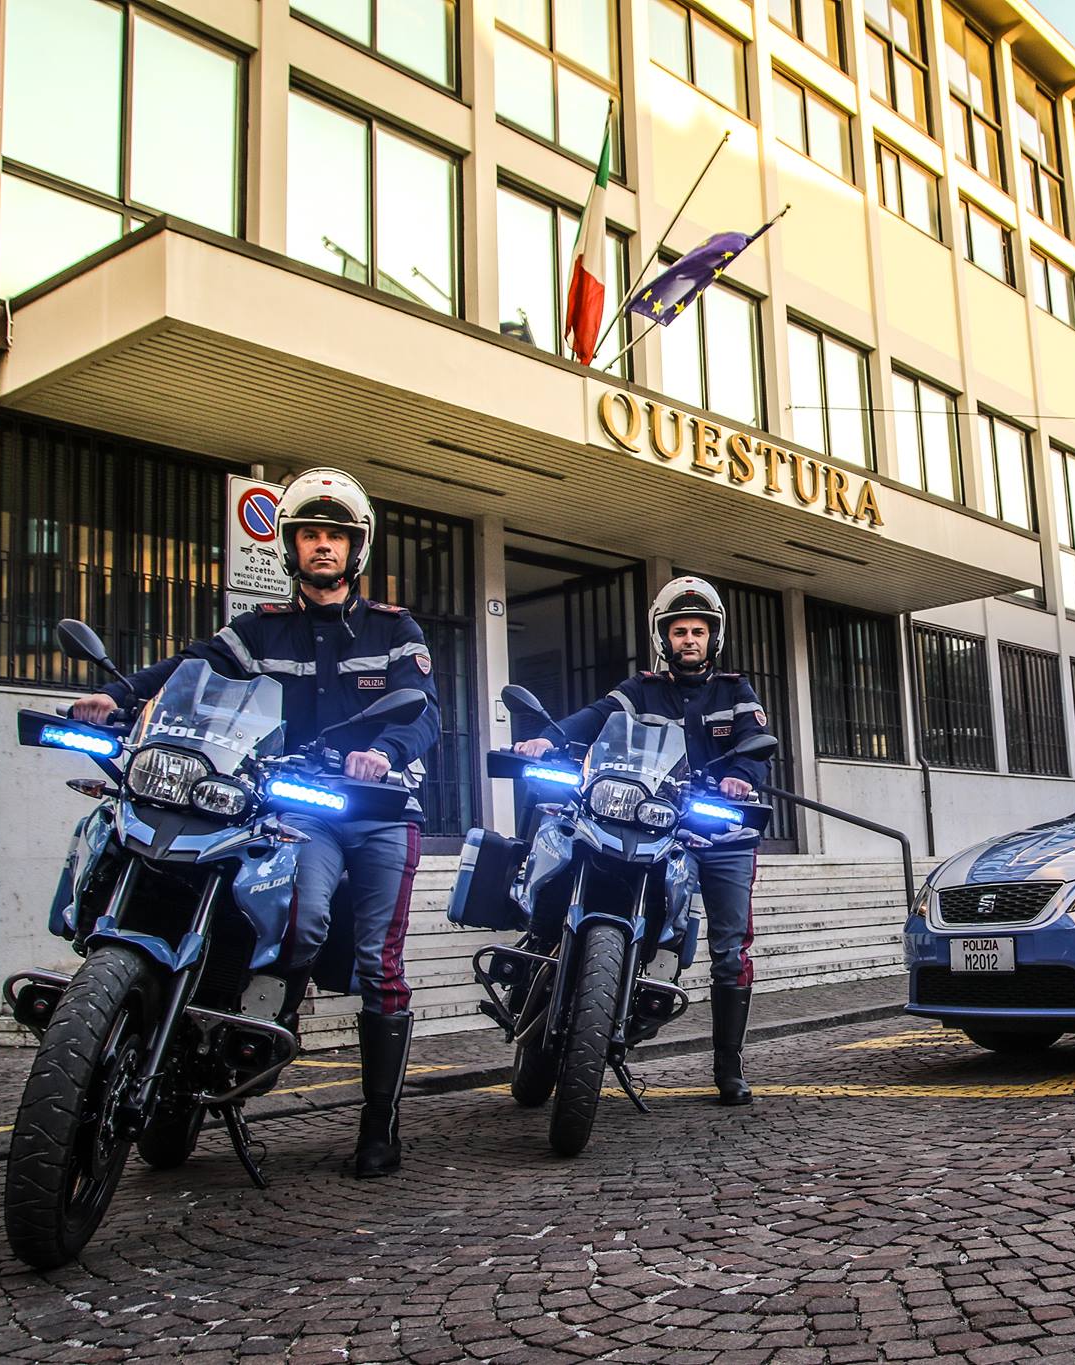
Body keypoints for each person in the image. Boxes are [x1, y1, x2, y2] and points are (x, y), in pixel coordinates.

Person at [71, 468, 440, 1175]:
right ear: (290, 548)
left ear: (356, 547)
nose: (322, 546)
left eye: (335, 535)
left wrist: (380, 752)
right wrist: (117, 698)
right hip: (300, 809)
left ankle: (379, 1123)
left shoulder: (396, 629)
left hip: (382, 811)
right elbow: (191, 670)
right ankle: (266, 1027)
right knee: (292, 924)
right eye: (310, 535)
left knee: (377, 961)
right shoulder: (257, 629)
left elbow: (421, 707)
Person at [514, 576, 770, 1105]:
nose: (689, 640)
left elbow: (755, 747)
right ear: (663, 637)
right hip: (651, 823)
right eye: (680, 631)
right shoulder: (641, 688)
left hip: (721, 831)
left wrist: (740, 775)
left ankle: (729, 1066)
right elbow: (595, 718)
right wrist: (552, 738)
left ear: (713, 637)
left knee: (729, 951)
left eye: (699, 630)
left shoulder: (735, 691)